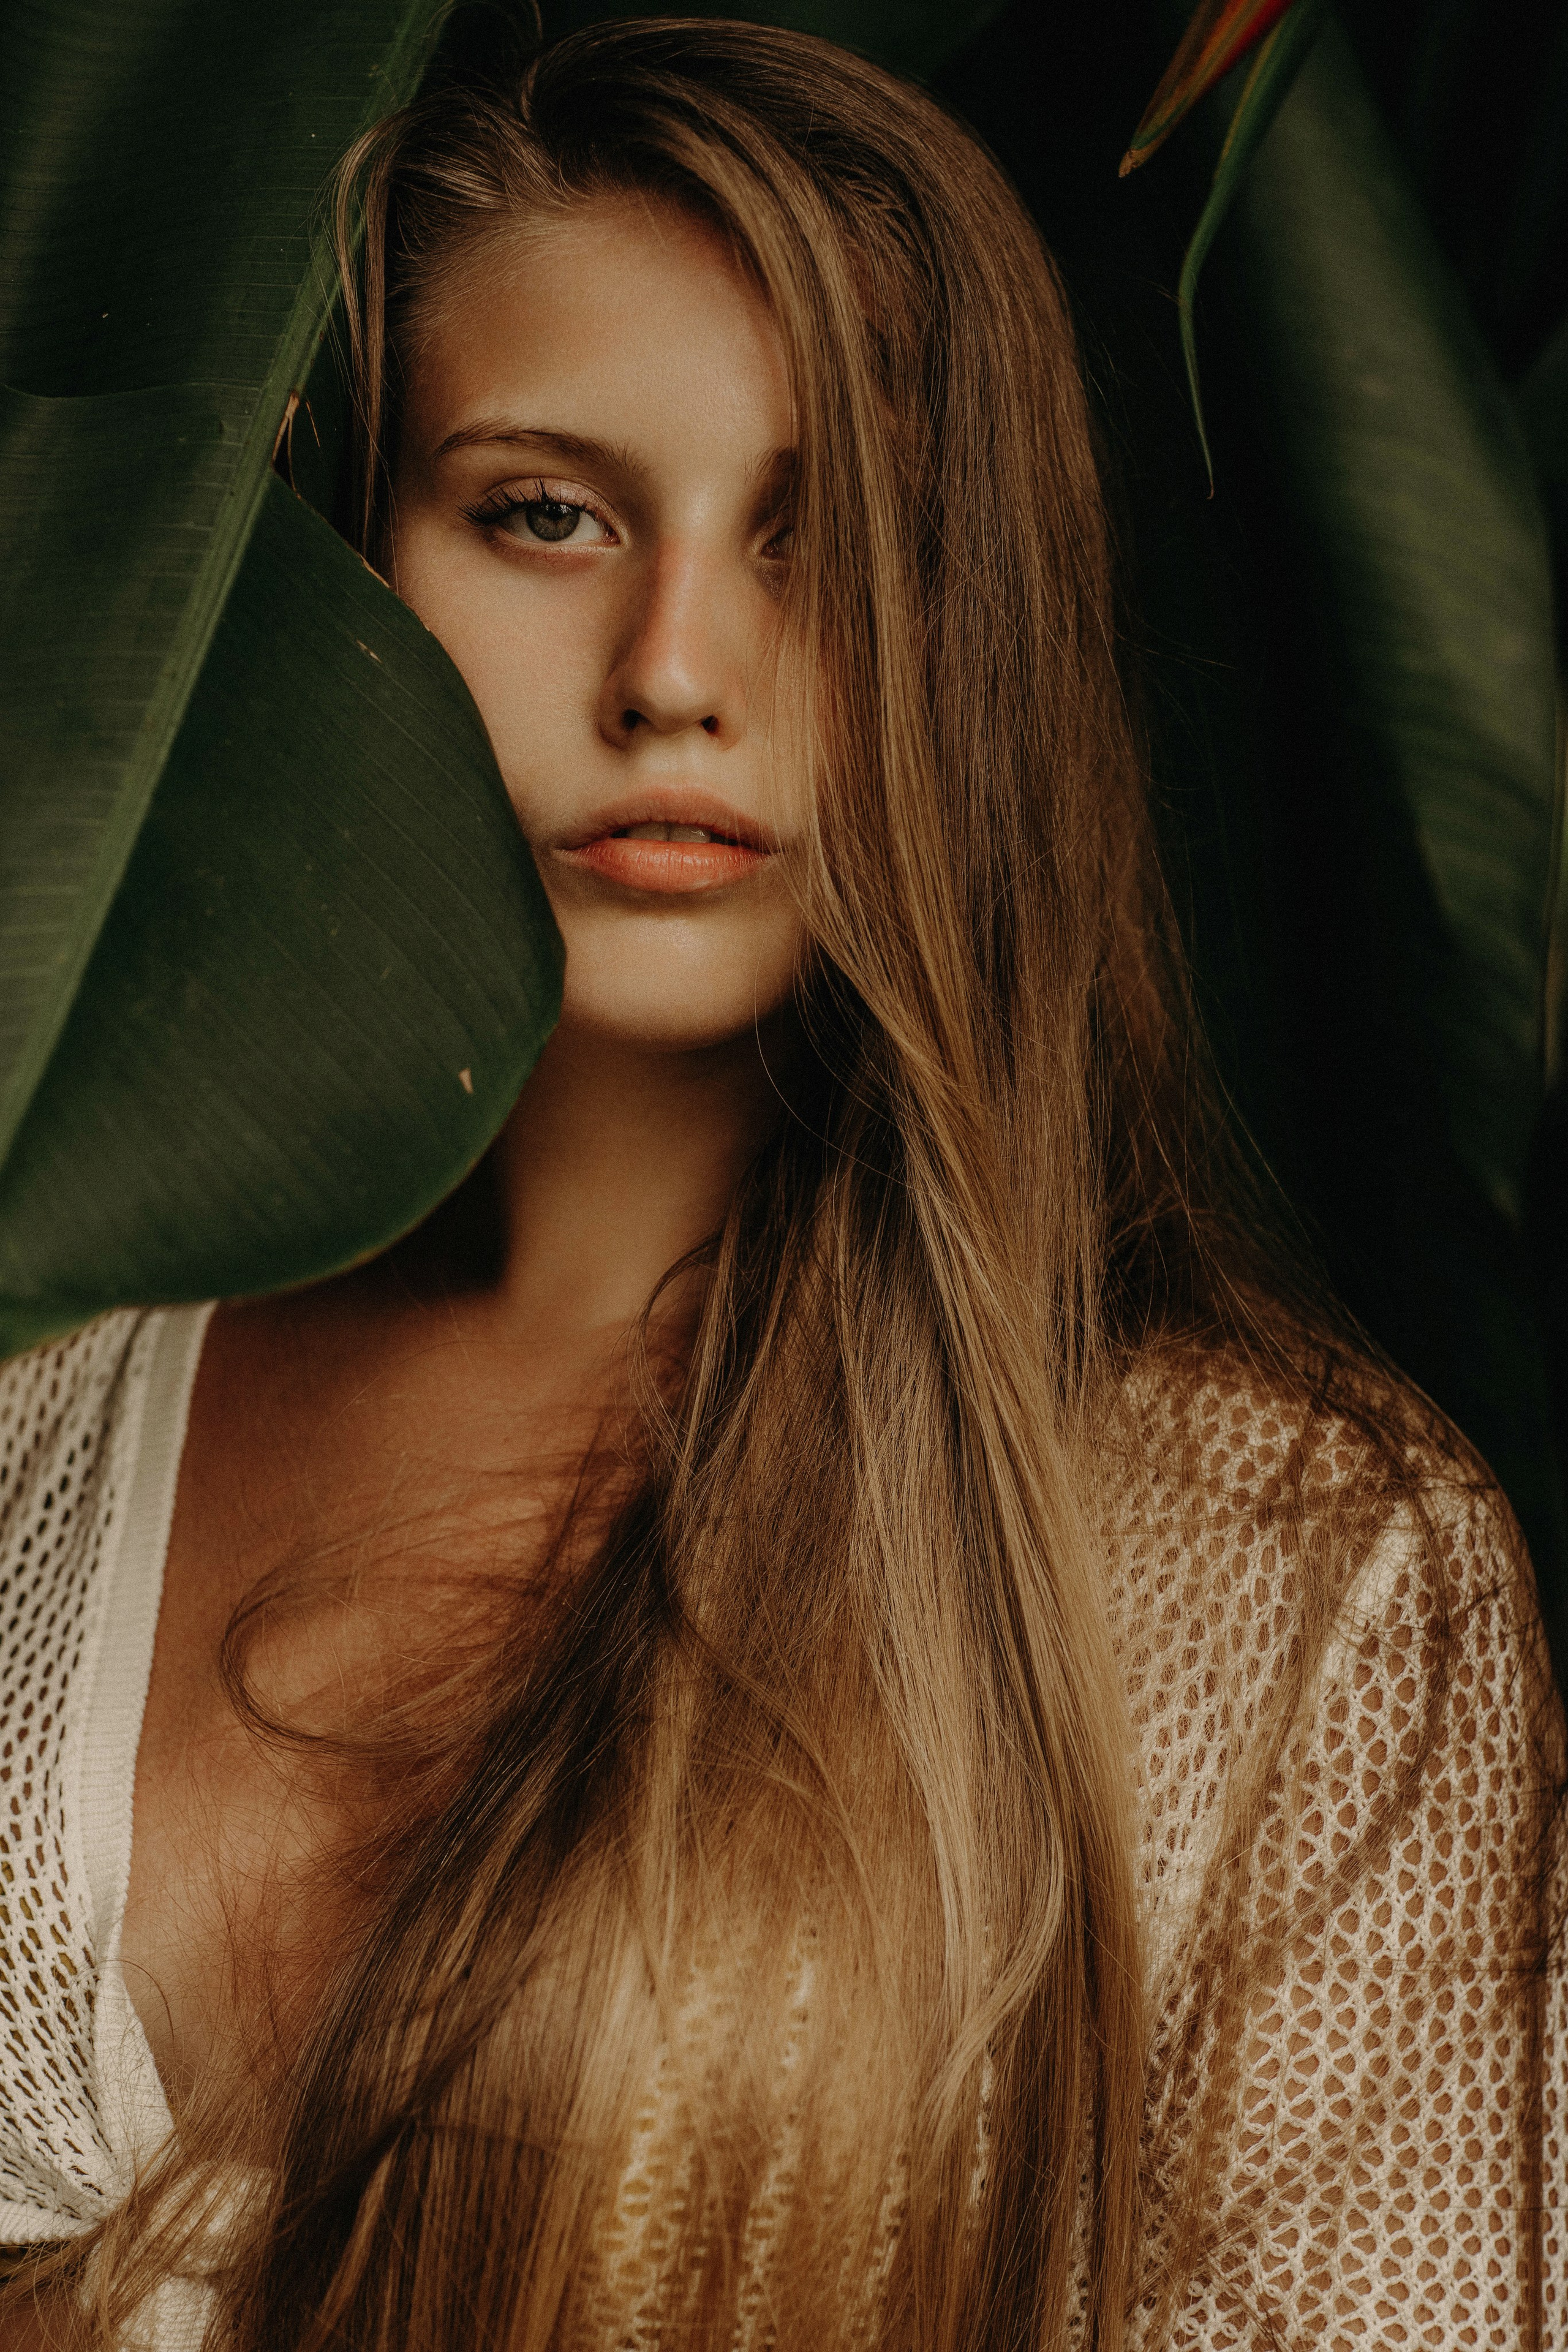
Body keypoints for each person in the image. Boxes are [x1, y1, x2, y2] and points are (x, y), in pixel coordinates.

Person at [0, 15, 1561, 2349]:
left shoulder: (1296, 1573)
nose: (675, 672)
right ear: (340, 551)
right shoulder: (44, 1354)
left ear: (981, 631)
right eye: (546, 513)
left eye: (826, 535)